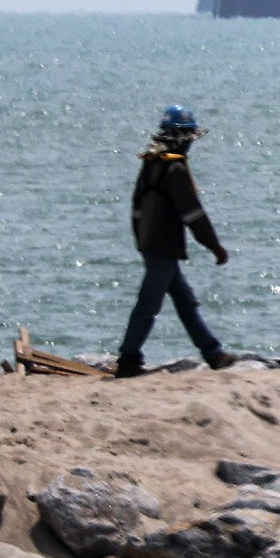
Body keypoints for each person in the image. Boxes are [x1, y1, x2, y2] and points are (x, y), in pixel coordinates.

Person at [113, 104, 234, 376]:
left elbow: (136, 208)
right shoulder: (174, 170)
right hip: (164, 247)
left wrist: (140, 241)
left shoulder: (150, 164)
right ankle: (128, 358)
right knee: (149, 304)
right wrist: (214, 246)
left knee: (185, 301)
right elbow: (193, 214)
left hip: (149, 243)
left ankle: (213, 353)